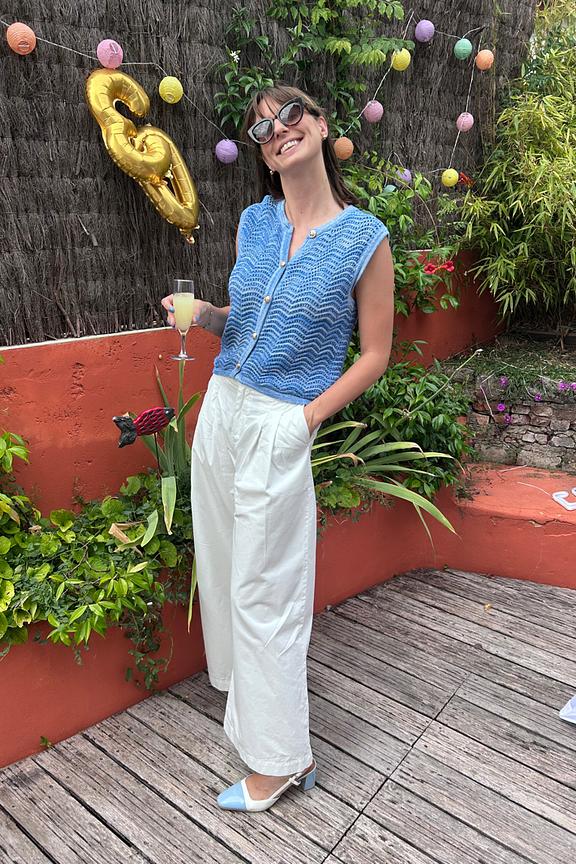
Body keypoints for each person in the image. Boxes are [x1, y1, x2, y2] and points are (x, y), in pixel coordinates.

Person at [162, 84, 394, 812]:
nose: (277, 129)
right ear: (262, 154)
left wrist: (307, 419)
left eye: (290, 114)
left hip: (282, 420)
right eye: (263, 127)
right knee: (226, 567)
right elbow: (243, 316)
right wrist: (206, 316)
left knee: (269, 591)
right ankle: (255, 716)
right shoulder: (253, 223)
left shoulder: (364, 238)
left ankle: (281, 760)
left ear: (320, 126)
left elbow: (376, 354)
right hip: (223, 408)